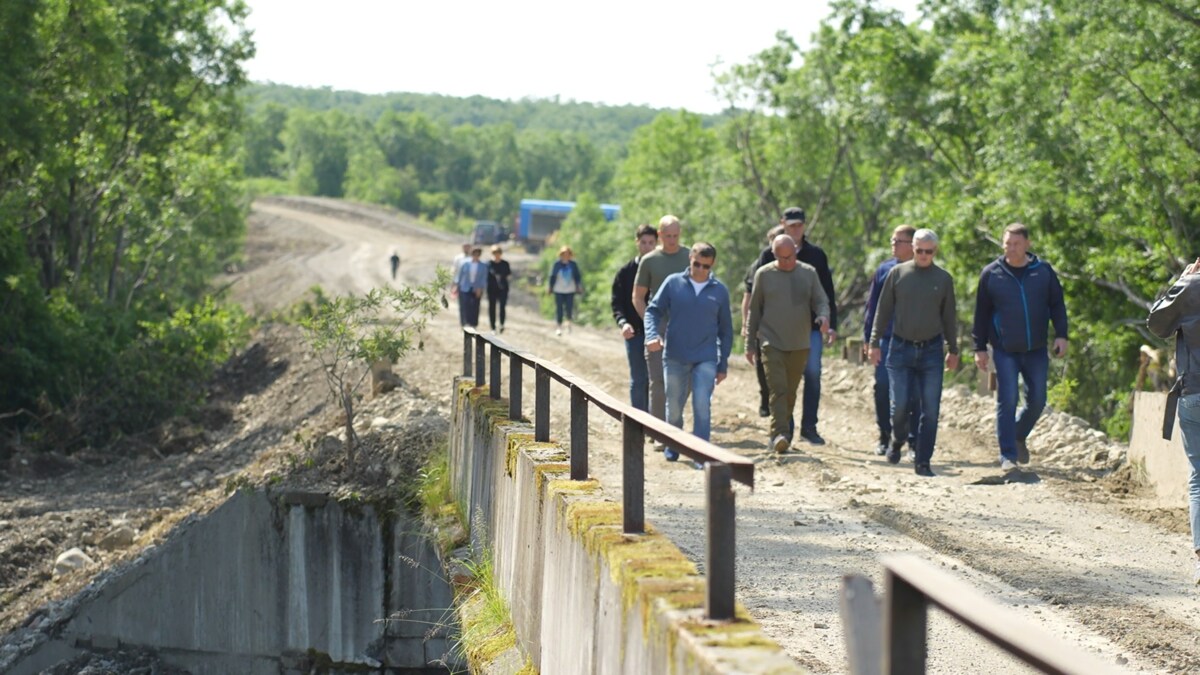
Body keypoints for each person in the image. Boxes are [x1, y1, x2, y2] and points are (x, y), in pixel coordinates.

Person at [972, 223, 1070, 471]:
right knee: (1008, 398)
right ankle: (1007, 456)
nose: (1011, 248)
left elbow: (1057, 304)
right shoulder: (991, 274)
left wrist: (1061, 335)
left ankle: (1017, 434)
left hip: (1036, 348)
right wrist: (979, 348)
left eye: (1016, 244)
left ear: (1027, 244)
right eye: (1007, 243)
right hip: (1004, 349)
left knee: (1037, 399)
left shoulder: (1043, 271)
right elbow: (981, 314)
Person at [741, 206, 837, 445]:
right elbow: (754, 304)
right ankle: (781, 432)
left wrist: (827, 321)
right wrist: (749, 340)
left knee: (806, 380)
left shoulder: (813, 261)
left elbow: (824, 297)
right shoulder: (765, 265)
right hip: (771, 336)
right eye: (791, 224)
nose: (786, 261)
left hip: (806, 334)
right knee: (779, 386)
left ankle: (806, 428)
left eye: (799, 225)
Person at [869, 228, 959, 477]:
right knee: (899, 406)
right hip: (900, 349)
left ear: (934, 252)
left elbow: (949, 317)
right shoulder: (897, 274)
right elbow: (882, 311)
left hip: (931, 351)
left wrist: (953, 349)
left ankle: (923, 460)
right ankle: (897, 438)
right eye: (919, 250)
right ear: (913, 249)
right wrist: (874, 342)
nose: (923, 255)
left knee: (930, 409)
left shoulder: (943, 279)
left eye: (928, 252)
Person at [644, 242, 733, 463]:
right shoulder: (673, 283)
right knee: (673, 406)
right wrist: (652, 334)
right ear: (690, 259)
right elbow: (653, 311)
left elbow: (726, 331)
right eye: (697, 264)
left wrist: (723, 365)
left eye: (706, 266)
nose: (700, 270)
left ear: (712, 265)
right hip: (675, 355)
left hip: (706, 357)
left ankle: (700, 453)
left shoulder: (719, 291)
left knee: (702, 404)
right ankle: (673, 443)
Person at [1146, 256, 1200, 584]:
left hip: (1193, 392)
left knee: (1199, 477)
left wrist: (1180, 281)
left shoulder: (1191, 287)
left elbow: (1157, 323)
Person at [863, 225, 921, 457]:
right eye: (892, 240)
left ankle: (914, 442)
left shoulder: (925, 270)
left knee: (913, 392)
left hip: (917, 342)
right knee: (883, 387)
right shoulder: (884, 269)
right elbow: (872, 307)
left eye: (899, 241)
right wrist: (869, 340)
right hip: (887, 341)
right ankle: (885, 436)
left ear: (912, 245)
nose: (893, 245)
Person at [634, 215, 690, 422]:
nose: (672, 240)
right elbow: (638, 297)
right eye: (668, 236)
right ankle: (658, 429)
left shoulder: (690, 257)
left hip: (686, 325)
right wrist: (651, 324)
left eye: (676, 235)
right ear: (660, 235)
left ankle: (674, 419)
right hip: (658, 324)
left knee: (685, 378)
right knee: (658, 380)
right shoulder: (650, 261)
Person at [611, 223, 658, 411]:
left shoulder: (662, 270)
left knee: (658, 381)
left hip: (659, 334)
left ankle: (658, 423)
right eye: (644, 242)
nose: (647, 246)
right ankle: (638, 423)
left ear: (657, 243)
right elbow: (617, 302)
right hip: (635, 333)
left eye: (651, 243)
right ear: (637, 243)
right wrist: (623, 323)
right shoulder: (626, 272)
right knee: (639, 379)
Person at [744, 224, 785, 418]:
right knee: (762, 359)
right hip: (763, 317)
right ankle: (765, 394)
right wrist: (747, 323)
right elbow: (749, 295)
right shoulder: (759, 264)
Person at [547, 246, 583, 336]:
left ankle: (568, 324)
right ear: (561, 254)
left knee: (569, 308)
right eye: (564, 254)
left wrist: (579, 286)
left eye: (568, 254)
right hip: (558, 289)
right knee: (559, 308)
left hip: (570, 290)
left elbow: (577, 276)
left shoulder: (573, 264)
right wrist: (550, 287)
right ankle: (559, 327)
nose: (566, 255)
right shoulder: (557, 264)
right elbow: (552, 276)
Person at [454, 247, 487, 327]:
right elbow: (459, 276)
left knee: (475, 306)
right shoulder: (465, 263)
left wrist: (481, 288)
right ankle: (465, 323)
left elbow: (484, 278)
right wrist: (456, 285)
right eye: (474, 254)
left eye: (478, 254)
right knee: (465, 305)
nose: (476, 255)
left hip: (477, 288)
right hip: (465, 287)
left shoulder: (483, 265)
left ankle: (473, 323)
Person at [486, 245, 511, 334]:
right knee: (492, 308)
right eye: (494, 253)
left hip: (503, 288)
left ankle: (501, 324)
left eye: (498, 253)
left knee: (502, 307)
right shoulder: (489, 264)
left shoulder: (505, 264)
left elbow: (508, 275)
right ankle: (493, 326)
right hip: (491, 289)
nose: (496, 255)